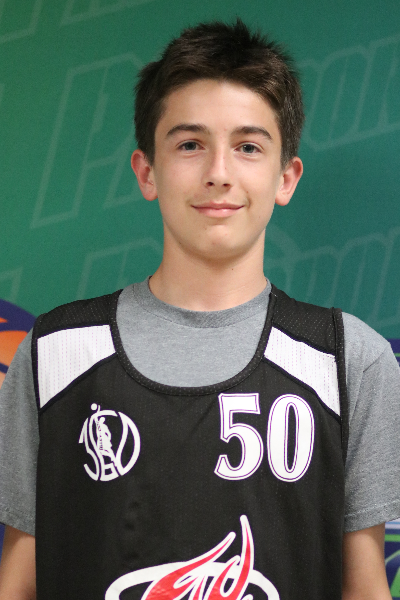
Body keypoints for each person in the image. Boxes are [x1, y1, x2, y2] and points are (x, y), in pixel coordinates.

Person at [0, 19, 399, 600]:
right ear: (147, 171)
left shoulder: (348, 359)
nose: (218, 173)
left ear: (286, 177)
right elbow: (18, 583)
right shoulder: (55, 354)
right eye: (190, 144)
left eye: (248, 147)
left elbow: (364, 586)